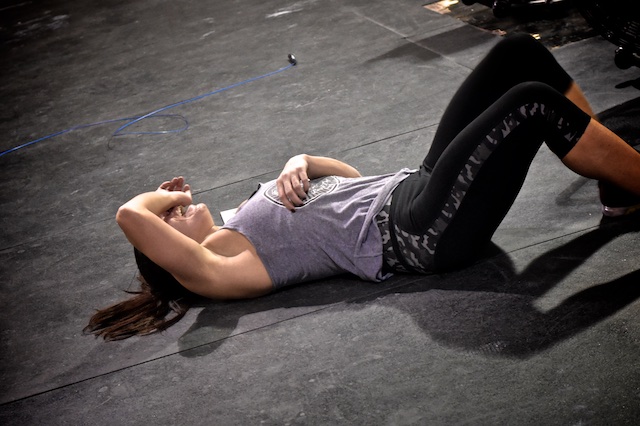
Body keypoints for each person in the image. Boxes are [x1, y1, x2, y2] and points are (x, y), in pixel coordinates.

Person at [85, 34, 640, 340]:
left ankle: (618, 189)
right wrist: (173, 199)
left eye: (171, 208)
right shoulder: (218, 271)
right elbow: (130, 215)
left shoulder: (237, 219)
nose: (176, 208)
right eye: (169, 220)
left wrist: (302, 160)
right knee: (531, 103)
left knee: (518, 54)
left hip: (412, 187)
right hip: (421, 233)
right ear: (172, 255)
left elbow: (350, 181)